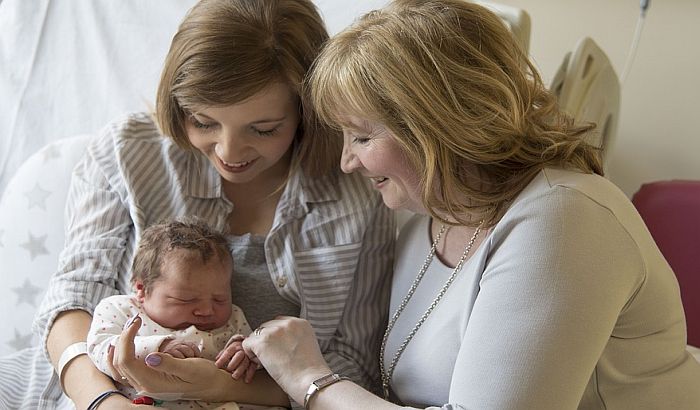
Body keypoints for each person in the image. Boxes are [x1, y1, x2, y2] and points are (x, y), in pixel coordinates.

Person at [227, 0, 698, 409]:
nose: (347, 161)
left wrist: (308, 379)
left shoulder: (563, 217)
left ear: (436, 126)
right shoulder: (425, 223)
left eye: (363, 136)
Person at [0, 0, 395, 408]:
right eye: (204, 122)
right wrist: (102, 401)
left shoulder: (359, 195)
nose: (229, 151)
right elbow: (73, 299)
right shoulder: (126, 153)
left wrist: (218, 388)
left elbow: (353, 368)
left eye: (263, 129)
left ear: (307, 113)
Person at [87, 218, 275, 409]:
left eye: (220, 299)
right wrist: (157, 347)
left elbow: (258, 357)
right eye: (187, 300)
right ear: (142, 289)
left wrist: (244, 354)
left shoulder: (233, 316)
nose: (207, 311)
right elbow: (98, 348)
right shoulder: (121, 309)